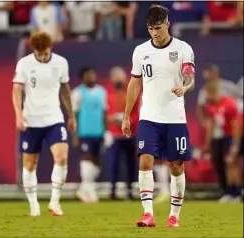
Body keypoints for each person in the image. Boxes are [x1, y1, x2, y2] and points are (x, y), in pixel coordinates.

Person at [121, 4, 195, 228]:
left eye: (159, 27)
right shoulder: (141, 51)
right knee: (145, 159)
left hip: (174, 117)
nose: (156, 32)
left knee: (176, 165)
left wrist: (185, 87)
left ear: (168, 24)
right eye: (152, 28)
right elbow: (135, 83)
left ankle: (174, 216)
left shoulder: (183, 48)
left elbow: (190, 77)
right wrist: (126, 116)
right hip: (149, 116)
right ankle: (148, 214)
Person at [12, 32, 76, 217]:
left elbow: (65, 88)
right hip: (31, 120)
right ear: (34, 50)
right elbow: (16, 90)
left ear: (51, 48)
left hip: (54, 118)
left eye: (45, 53)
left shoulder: (61, 63)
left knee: (61, 158)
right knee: (30, 164)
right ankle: (34, 206)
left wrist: (71, 115)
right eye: (39, 54)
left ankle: (55, 202)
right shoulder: (24, 64)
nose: (43, 56)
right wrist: (18, 115)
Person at [71, 67, 108, 203]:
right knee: (87, 158)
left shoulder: (101, 91)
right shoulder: (77, 93)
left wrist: (107, 131)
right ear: (82, 77)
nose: (92, 76)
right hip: (84, 132)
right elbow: (73, 115)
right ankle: (89, 189)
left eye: (93, 74)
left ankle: (84, 189)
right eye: (88, 75)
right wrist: (74, 135)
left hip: (99, 132)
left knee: (97, 160)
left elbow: (104, 112)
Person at [202, 80, 242, 203]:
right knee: (230, 163)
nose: (205, 97)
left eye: (207, 94)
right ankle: (231, 192)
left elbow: (237, 125)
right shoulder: (211, 106)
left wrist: (235, 144)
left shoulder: (229, 103)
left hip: (238, 134)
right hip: (228, 135)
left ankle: (237, 193)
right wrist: (207, 144)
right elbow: (212, 125)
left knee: (233, 162)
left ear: (214, 93)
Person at [106, 66, 139, 200]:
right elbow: (106, 113)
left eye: (120, 77)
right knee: (114, 164)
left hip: (130, 133)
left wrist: (130, 120)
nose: (119, 80)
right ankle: (112, 191)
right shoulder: (108, 93)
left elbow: (137, 112)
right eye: (116, 77)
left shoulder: (131, 92)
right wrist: (112, 119)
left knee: (131, 164)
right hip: (114, 134)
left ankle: (130, 191)